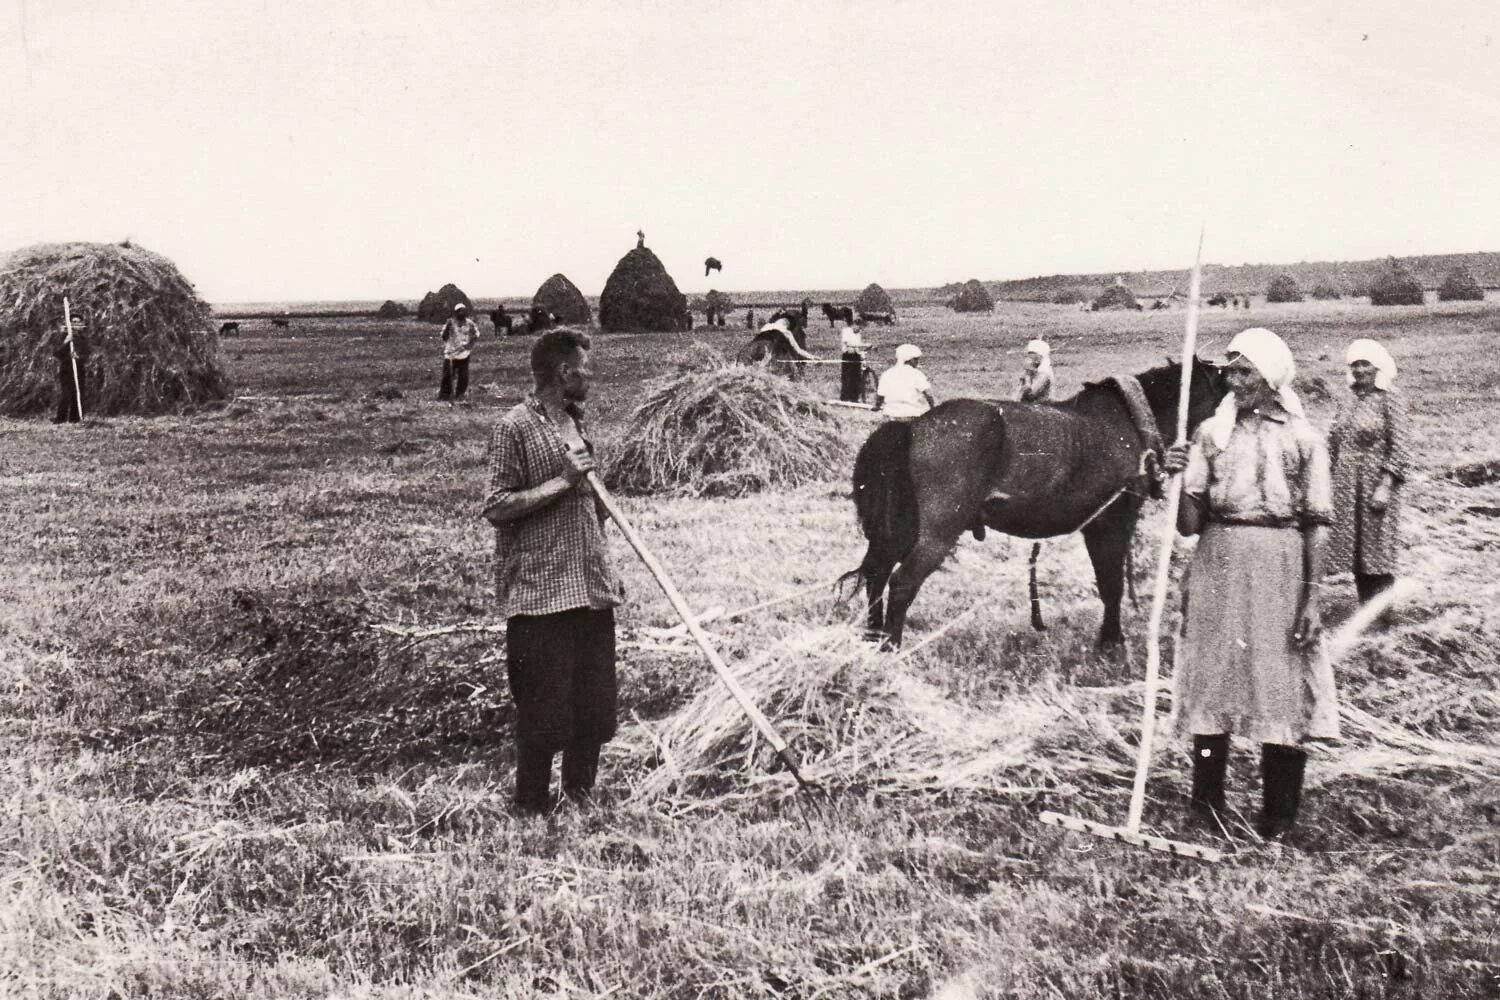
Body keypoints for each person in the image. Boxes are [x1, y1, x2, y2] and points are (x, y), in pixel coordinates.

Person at [1162, 327, 1339, 842]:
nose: (1233, 382)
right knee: (1212, 675)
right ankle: (1207, 803)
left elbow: (1317, 523)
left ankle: (1278, 815)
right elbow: (1189, 524)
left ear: (1271, 377)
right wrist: (1176, 480)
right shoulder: (1210, 435)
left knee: (1279, 680)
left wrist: (1312, 600)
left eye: (1244, 372)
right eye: (1229, 372)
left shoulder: (1305, 439)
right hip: (1218, 559)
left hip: (1280, 563)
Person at [481, 327, 625, 814]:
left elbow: (590, 503)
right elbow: (498, 506)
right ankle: (531, 808)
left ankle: (580, 800)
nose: (592, 377)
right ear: (564, 373)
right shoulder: (514, 427)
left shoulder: (579, 426)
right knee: (543, 714)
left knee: (595, 710)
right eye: (586, 368)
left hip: (590, 588)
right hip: (542, 593)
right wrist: (562, 482)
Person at [1327, 339, 1410, 609]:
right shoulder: (1347, 399)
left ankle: (1383, 614)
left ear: (1378, 366)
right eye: (1355, 364)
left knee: (1378, 548)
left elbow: (1399, 446)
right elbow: (1333, 441)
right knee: (1356, 550)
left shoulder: (1390, 397)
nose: (1360, 370)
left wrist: (1385, 486)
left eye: (1365, 364)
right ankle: (1366, 610)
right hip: (1346, 484)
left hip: (1376, 482)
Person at [873, 343, 935, 419]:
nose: (917, 362)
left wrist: (877, 406)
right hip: (911, 414)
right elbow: (928, 394)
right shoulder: (916, 374)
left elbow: (880, 395)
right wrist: (934, 409)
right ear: (909, 359)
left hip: (890, 415)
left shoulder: (887, 374)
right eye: (916, 359)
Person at [438, 303, 480, 404]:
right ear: (456, 313)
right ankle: (444, 395)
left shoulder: (470, 323)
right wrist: (447, 329)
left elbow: (476, 334)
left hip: (464, 354)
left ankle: (460, 394)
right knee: (448, 376)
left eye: (463, 310)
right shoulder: (450, 322)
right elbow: (443, 336)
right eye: (460, 311)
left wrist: (469, 345)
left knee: (463, 376)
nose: (462, 313)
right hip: (451, 353)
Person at [52, 324, 91, 424]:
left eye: (79, 323)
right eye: (74, 322)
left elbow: (87, 354)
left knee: (77, 393)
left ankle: (75, 418)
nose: (76, 325)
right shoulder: (64, 337)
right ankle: (60, 418)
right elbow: (57, 353)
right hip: (66, 370)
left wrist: (78, 357)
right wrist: (66, 342)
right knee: (66, 394)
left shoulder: (83, 339)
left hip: (79, 370)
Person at [838, 322, 870, 402]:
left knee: (856, 377)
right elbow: (849, 344)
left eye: (861, 329)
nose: (860, 330)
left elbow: (858, 346)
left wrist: (864, 353)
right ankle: (844, 398)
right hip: (847, 355)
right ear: (855, 325)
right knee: (846, 377)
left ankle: (854, 398)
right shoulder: (846, 331)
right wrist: (864, 345)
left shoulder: (858, 334)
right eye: (859, 328)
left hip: (856, 356)